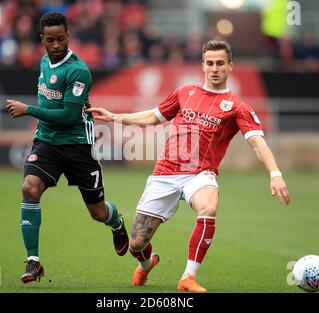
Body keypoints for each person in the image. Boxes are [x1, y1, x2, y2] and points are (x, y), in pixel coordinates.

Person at [86, 40, 291, 292]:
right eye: (210, 63)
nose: (215, 68)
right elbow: (153, 116)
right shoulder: (185, 92)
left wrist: (275, 173)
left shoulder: (237, 107)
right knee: (136, 244)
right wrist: (116, 116)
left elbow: (258, 143)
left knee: (208, 207)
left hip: (200, 174)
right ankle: (147, 263)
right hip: (165, 173)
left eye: (220, 63)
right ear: (203, 65)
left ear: (230, 66)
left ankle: (187, 277)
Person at [5, 12, 129, 284]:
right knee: (29, 188)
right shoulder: (43, 62)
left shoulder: (78, 70)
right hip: (47, 143)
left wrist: (28, 110)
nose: (56, 45)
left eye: (61, 38)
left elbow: (69, 116)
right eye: (51, 40)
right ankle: (34, 261)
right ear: (43, 40)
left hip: (78, 146)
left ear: (68, 36)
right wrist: (37, 118)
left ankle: (117, 222)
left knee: (97, 212)